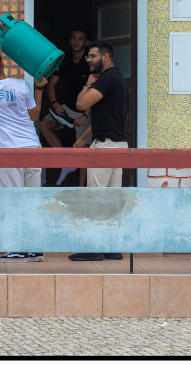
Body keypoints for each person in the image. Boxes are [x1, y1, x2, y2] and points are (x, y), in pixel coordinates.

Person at [0, 36, 48, 262]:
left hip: (8, 152)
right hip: (32, 147)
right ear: (3, 63)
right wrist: (39, 88)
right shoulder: (21, 85)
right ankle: (34, 249)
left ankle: (17, 248)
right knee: (31, 199)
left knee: (13, 199)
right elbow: (34, 115)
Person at [69, 39, 130, 262]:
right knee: (111, 199)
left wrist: (87, 84)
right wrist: (83, 139)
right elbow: (104, 120)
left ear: (105, 57)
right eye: (88, 56)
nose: (88, 59)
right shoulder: (119, 80)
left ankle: (93, 248)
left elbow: (80, 104)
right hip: (118, 145)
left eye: (92, 56)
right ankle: (111, 247)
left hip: (105, 146)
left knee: (95, 196)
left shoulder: (107, 79)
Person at [38, 29, 92, 163]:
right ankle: (65, 160)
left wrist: (85, 116)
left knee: (83, 149)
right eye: (74, 38)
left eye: (81, 39)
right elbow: (51, 84)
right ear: (69, 41)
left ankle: (80, 178)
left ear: (86, 42)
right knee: (43, 125)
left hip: (86, 110)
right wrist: (55, 103)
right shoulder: (66, 58)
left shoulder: (90, 59)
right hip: (68, 106)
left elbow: (96, 91)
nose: (76, 42)